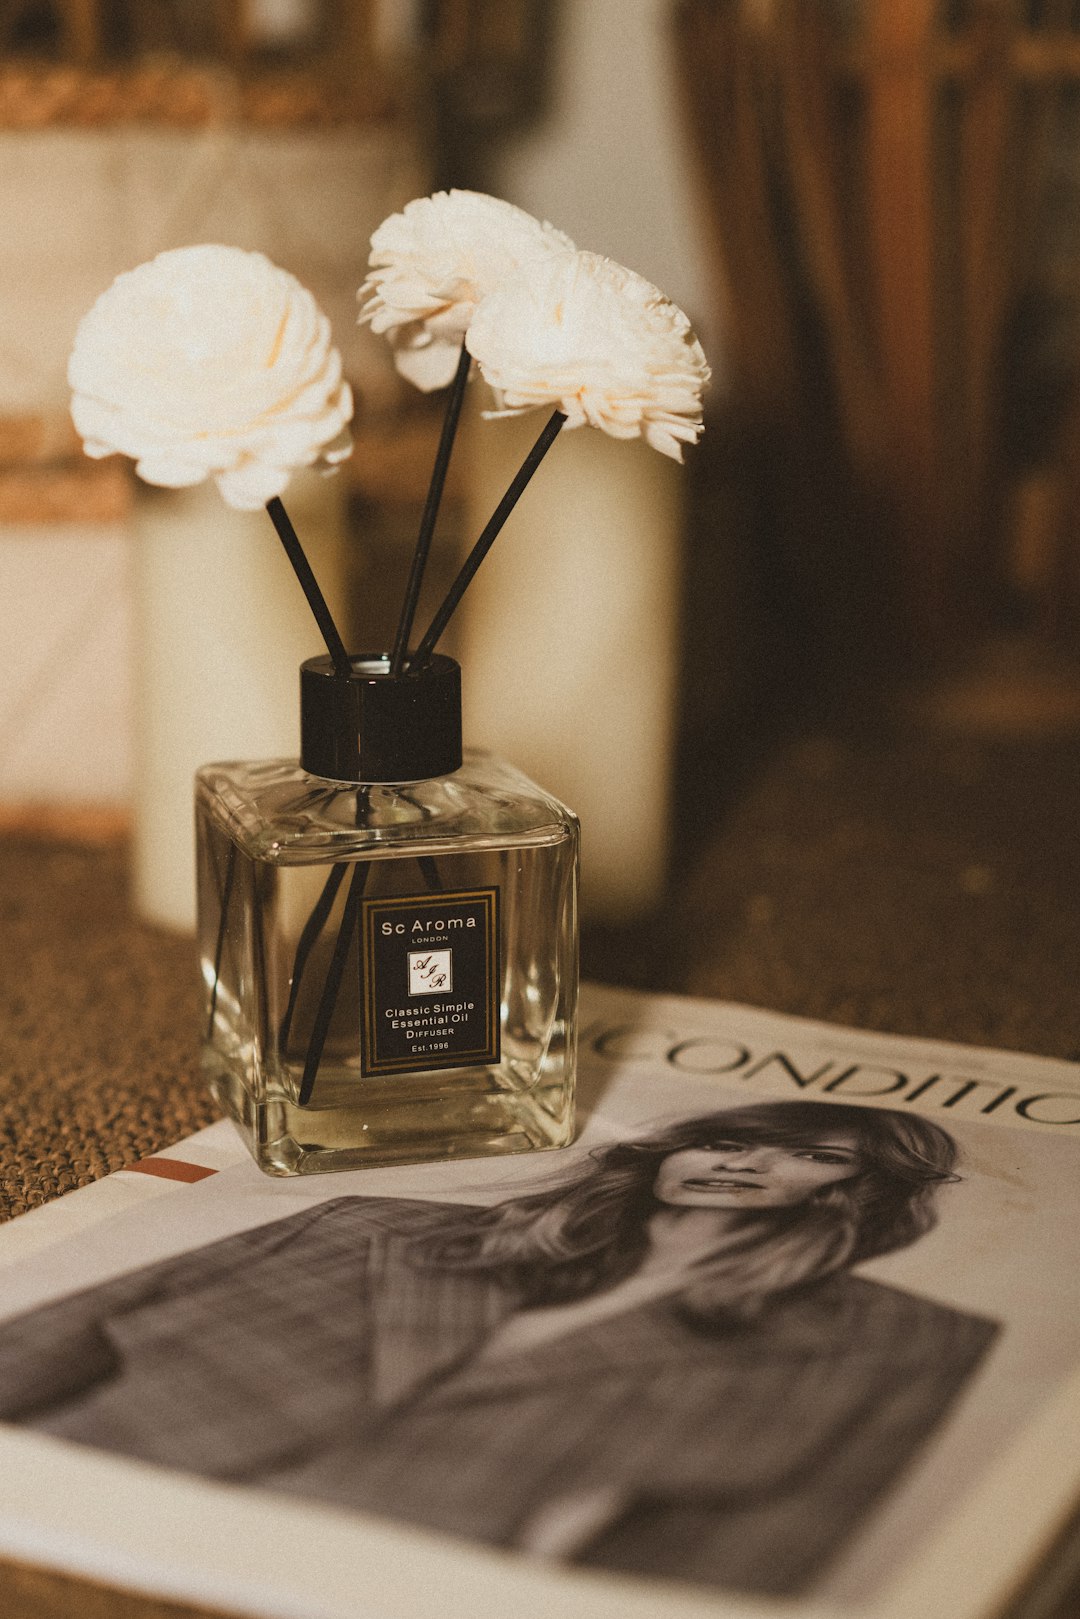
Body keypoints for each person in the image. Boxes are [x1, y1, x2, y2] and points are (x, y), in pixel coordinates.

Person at [0, 1101, 998, 1596]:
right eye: (729, 1137)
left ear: (853, 1192)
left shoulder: (907, 1342)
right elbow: (53, 1334)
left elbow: (750, 1557)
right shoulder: (365, 1220)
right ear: (673, 1148)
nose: (746, 1161)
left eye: (813, 1154)